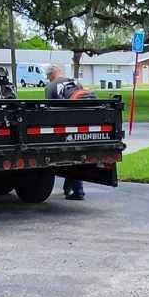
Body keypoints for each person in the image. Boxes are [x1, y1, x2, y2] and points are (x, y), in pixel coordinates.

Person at [44, 63, 86, 200]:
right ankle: (68, 188)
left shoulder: (50, 87)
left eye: (47, 76)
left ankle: (78, 191)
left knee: (70, 156)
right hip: (88, 118)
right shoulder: (75, 82)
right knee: (74, 155)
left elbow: (50, 109)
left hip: (69, 123)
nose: (47, 78)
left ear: (51, 74)